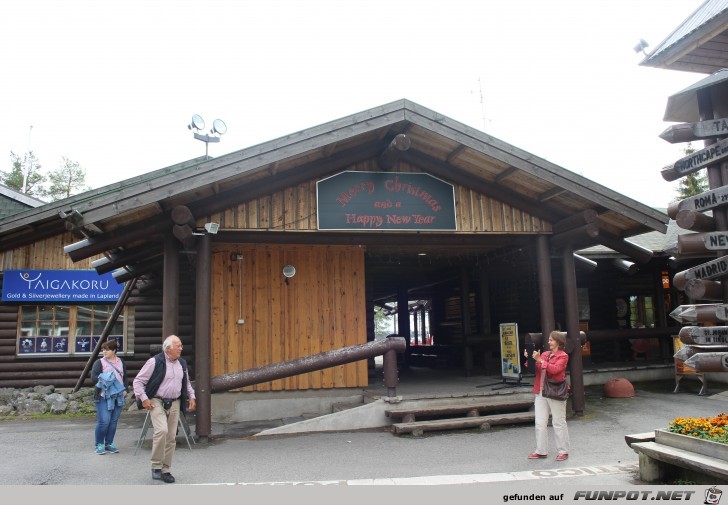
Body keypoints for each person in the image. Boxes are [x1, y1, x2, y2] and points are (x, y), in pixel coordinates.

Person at [133, 335, 196, 484]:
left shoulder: (182, 363)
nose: (181, 348)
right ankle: (156, 466)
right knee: (162, 431)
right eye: (178, 346)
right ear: (168, 348)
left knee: (171, 437)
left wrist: (192, 397)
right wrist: (144, 398)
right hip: (156, 401)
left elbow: (186, 384)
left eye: (181, 346)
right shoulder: (154, 361)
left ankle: (166, 469)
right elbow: (138, 381)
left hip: (175, 402)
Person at [528, 330, 570, 461]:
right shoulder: (545, 354)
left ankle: (563, 451)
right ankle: (541, 451)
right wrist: (530, 358)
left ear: (558, 342)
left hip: (555, 391)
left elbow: (555, 370)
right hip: (541, 392)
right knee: (540, 423)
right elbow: (536, 368)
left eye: (551, 340)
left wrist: (540, 360)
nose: (548, 342)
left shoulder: (563, 356)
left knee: (558, 422)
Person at [91, 340, 127, 455]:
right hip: (103, 396)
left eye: (107, 349)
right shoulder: (99, 362)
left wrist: (125, 388)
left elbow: (124, 376)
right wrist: (107, 378)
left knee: (113, 421)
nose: (104, 352)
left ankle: (109, 443)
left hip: (118, 396)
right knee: (104, 421)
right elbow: (93, 378)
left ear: (114, 350)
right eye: (103, 349)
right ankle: (99, 444)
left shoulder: (121, 362)